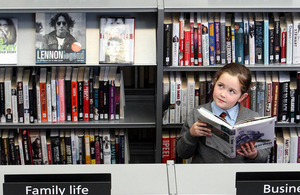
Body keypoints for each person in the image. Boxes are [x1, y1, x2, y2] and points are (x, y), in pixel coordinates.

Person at [176, 63, 271, 163]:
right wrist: (191, 134)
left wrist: (254, 155)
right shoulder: (197, 114)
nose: (223, 94)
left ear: (241, 97)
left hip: (235, 175)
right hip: (205, 174)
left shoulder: (253, 119)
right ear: (215, 82)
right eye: (220, 86)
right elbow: (182, 153)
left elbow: (264, 156)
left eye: (231, 91)